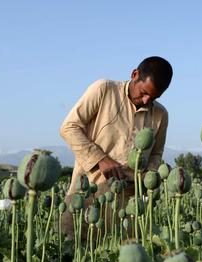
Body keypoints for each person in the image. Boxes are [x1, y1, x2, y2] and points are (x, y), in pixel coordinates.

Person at [60, 56, 173, 238]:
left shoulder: (160, 114)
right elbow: (69, 127)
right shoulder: (104, 90)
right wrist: (101, 160)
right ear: (135, 74)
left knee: (117, 257)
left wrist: (147, 177)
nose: (146, 101)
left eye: (153, 97)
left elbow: (156, 154)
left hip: (127, 206)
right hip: (87, 194)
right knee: (74, 252)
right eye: (144, 92)